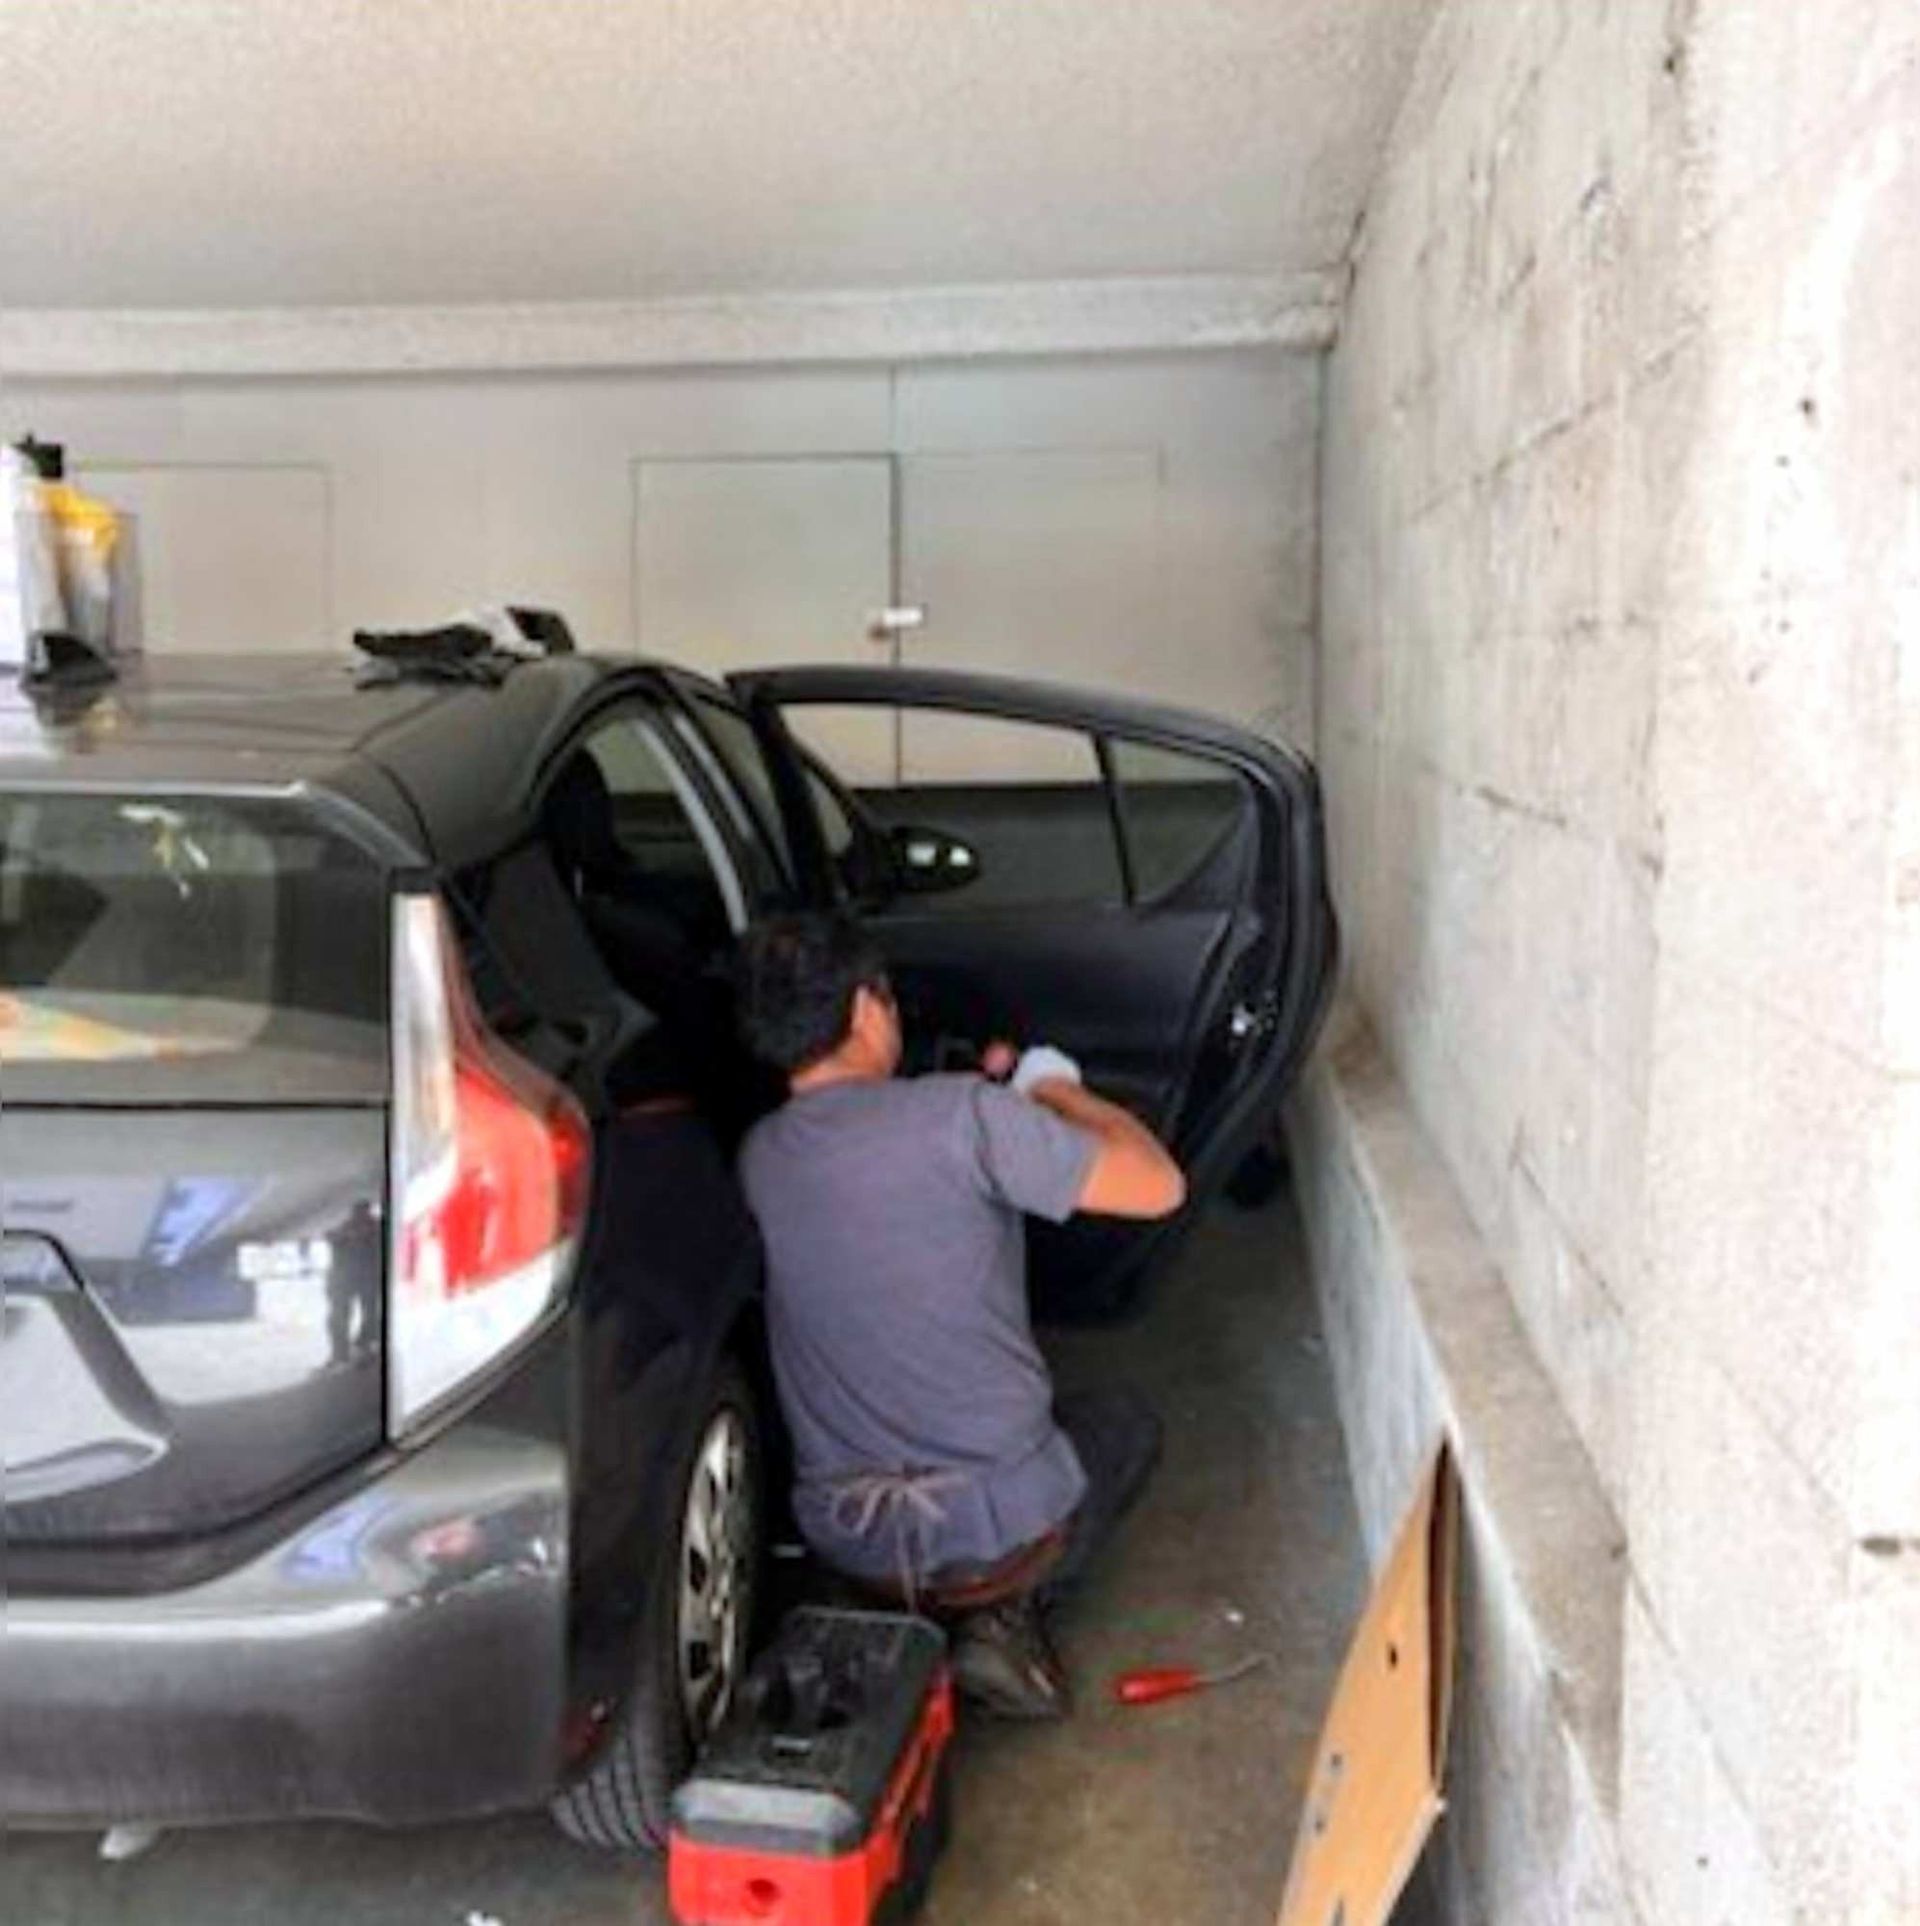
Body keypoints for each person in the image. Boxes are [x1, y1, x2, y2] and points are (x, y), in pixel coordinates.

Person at [735, 912, 1186, 1719]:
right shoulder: (963, 1118)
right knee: (1124, 1423)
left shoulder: (759, 1156)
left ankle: (902, 1617)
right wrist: (1050, 1089)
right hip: (999, 1542)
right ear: (869, 1011)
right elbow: (1157, 1185)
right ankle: (1002, 1617)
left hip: (849, 1539)